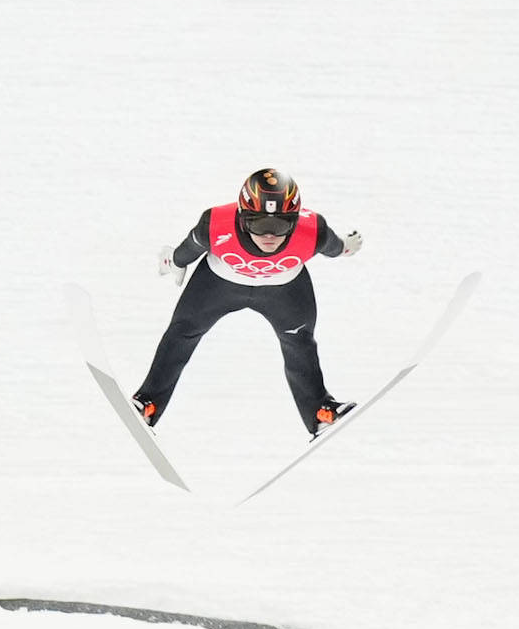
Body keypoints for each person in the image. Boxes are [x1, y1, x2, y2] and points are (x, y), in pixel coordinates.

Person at [132, 167, 364, 436]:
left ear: (295, 220)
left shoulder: (313, 230)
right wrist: (173, 260)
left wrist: (346, 246)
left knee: (300, 345)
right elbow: (188, 250)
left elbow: (335, 247)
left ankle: (320, 412)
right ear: (242, 217)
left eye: (280, 225)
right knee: (181, 334)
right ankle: (147, 403)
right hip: (217, 284)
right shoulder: (216, 223)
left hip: (284, 290)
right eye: (258, 223)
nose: (269, 236)